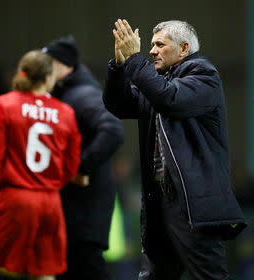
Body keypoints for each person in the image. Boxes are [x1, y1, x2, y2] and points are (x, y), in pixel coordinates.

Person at [103, 19, 246, 280]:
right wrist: (120, 66)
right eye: (150, 45)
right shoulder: (156, 83)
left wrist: (136, 60)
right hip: (159, 201)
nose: (152, 50)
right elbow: (119, 104)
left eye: (160, 44)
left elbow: (171, 100)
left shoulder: (204, 76)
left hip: (192, 203)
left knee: (209, 276)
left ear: (183, 49)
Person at [0, 50, 82, 280]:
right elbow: (71, 165)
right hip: (50, 202)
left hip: (14, 199)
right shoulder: (65, 113)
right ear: (48, 78)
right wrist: (50, 185)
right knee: (44, 274)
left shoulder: (4, 105)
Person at [42, 35, 124, 280]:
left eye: (48, 62)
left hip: (84, 209)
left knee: (87, 268)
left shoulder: (82, 95)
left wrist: (79, 166)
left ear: (64, 66)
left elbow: (112, 130)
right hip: (75, 210)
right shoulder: (67, 94)